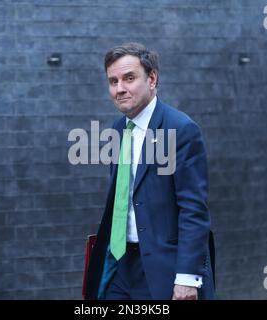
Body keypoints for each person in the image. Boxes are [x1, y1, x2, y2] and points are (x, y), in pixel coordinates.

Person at [85, 42, 215, 300]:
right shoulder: (118, 128)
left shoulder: (181, 130)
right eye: (113, 81)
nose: (119, 89)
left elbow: (193, 209)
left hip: (163, 270)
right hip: (118, 267)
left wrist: (187, 278)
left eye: (129, 78)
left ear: (152, 78)